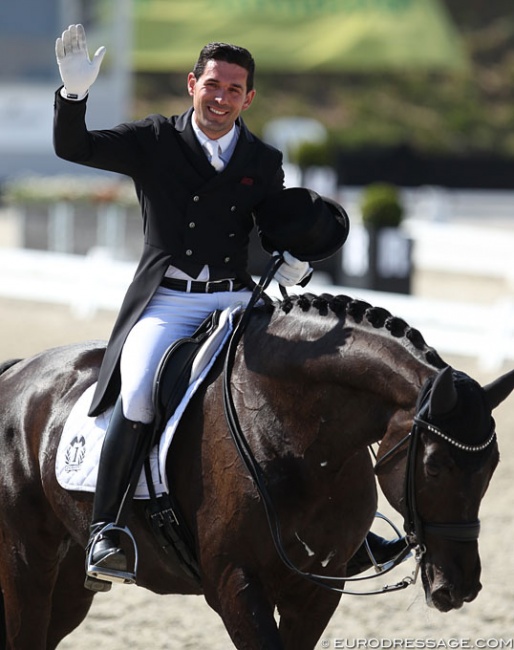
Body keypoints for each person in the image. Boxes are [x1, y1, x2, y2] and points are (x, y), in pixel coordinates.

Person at [53, 24, 403, 590]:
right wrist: (73, 97)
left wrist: (295, 261)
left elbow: (273, 228)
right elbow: (76, 147)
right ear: (193, 84)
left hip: (238, 297)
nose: (221, 98)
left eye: (234, 90)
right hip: (167, 301)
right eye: (212, 85)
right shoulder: (154, 140)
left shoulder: (263, 159)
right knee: (139, 391)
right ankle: (106, 531)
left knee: (309, 382)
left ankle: (351, 531)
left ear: (249, 98)